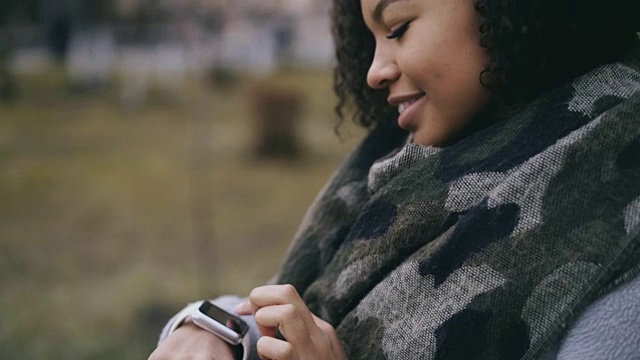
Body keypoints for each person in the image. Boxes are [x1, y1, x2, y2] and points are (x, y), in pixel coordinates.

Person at [149, 0, 640, 358]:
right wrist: (216, 331)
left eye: (399, 28)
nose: (374, 71)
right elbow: (304, 314)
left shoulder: (617, 208)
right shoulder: (399, 158)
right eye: (371, 39)